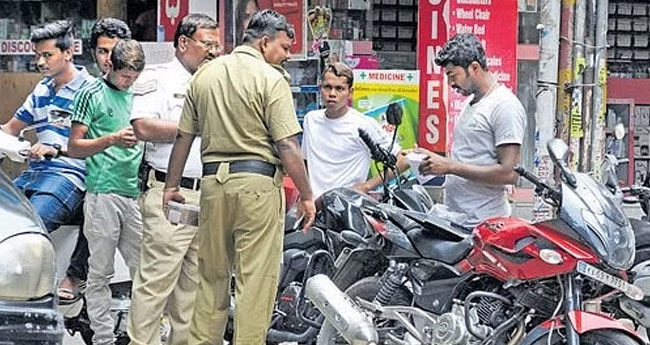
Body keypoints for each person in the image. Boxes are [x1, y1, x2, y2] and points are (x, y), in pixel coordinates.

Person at [162, 9, 315, 345]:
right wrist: (306, 195)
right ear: (264, 42)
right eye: (285, 47)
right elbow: (287, 144)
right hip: (258, 187)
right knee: (254, 281)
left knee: (211, 279)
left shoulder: (205, 75)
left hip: (213, 186)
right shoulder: (270, 78)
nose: (287, 55)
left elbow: (183, 137)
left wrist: (171, 186)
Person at [127, 13, 219, 345]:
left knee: (193, 287)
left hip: (208, 193)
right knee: (156, 283)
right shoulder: (159, 78)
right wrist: (195, 128)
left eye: (217, 45)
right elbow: (143, 127)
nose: (213, 51)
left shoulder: (216, 81)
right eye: (207, 43)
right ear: (183, 43)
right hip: (171, 195)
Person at [0, 20, 94, 297]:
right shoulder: (42, 90)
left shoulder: (90, 91)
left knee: (27, 230)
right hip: (34, 173)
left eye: (47, 55)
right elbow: (10, 128)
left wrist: (57, 149)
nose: (40, 62)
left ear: (68, 52)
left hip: (69, 176)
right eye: (37, 55)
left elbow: (99, 144)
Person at [68, 39, 145, 345]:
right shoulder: (91, 93)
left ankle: (139, 331)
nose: (130, 81)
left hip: (132, 190)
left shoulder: (140, 93)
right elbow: (75, 146)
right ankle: (102, 337)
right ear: (110, 66)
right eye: (125, 76)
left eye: (134, 76)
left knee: (145, 268)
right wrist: (111, 139)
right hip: (102, 190)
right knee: (99, 272)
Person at [58, 17, 132, 305]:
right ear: (93, 53)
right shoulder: (85, 90)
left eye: (114, 51)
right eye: (102, 52)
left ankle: (76, 275)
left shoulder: (139, 85)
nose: (109, 59)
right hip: (81, 168)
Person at [417, 33, 527, 228]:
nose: (450, 83)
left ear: (474, 68)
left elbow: (509, 174)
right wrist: (431, 159)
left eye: (453, 75)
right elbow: (470, 155)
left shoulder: (504, 106)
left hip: (484, 225)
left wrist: (450, 167)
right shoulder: (473, 103)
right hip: (460, 220)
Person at [301, 62, 407, 198]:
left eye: (339, 89)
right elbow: (305, 161)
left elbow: (402, 160)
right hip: (314, 207)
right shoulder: (311, 120)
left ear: (350, 93)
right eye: (327, 87)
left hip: (348, 207)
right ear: (320, 89)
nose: (332, 94)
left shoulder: (363, 124)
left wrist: (365, 187)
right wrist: (304, 195)